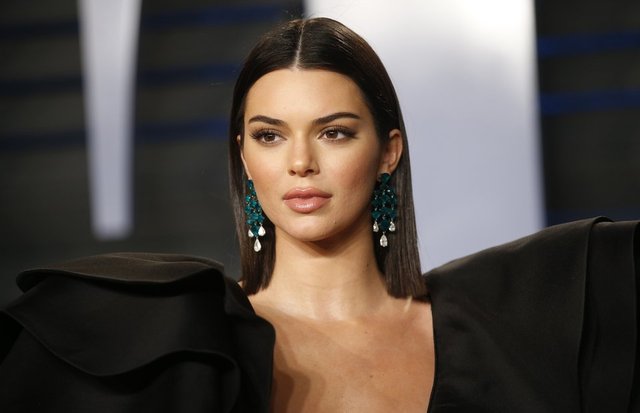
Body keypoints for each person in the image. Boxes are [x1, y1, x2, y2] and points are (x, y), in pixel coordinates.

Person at [0, 17, 638, 413]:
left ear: (388, 152)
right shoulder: (174, 340)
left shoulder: (517, 326)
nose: (300, 162)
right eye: (270, 136)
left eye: (333, 132)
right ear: (244, 157)